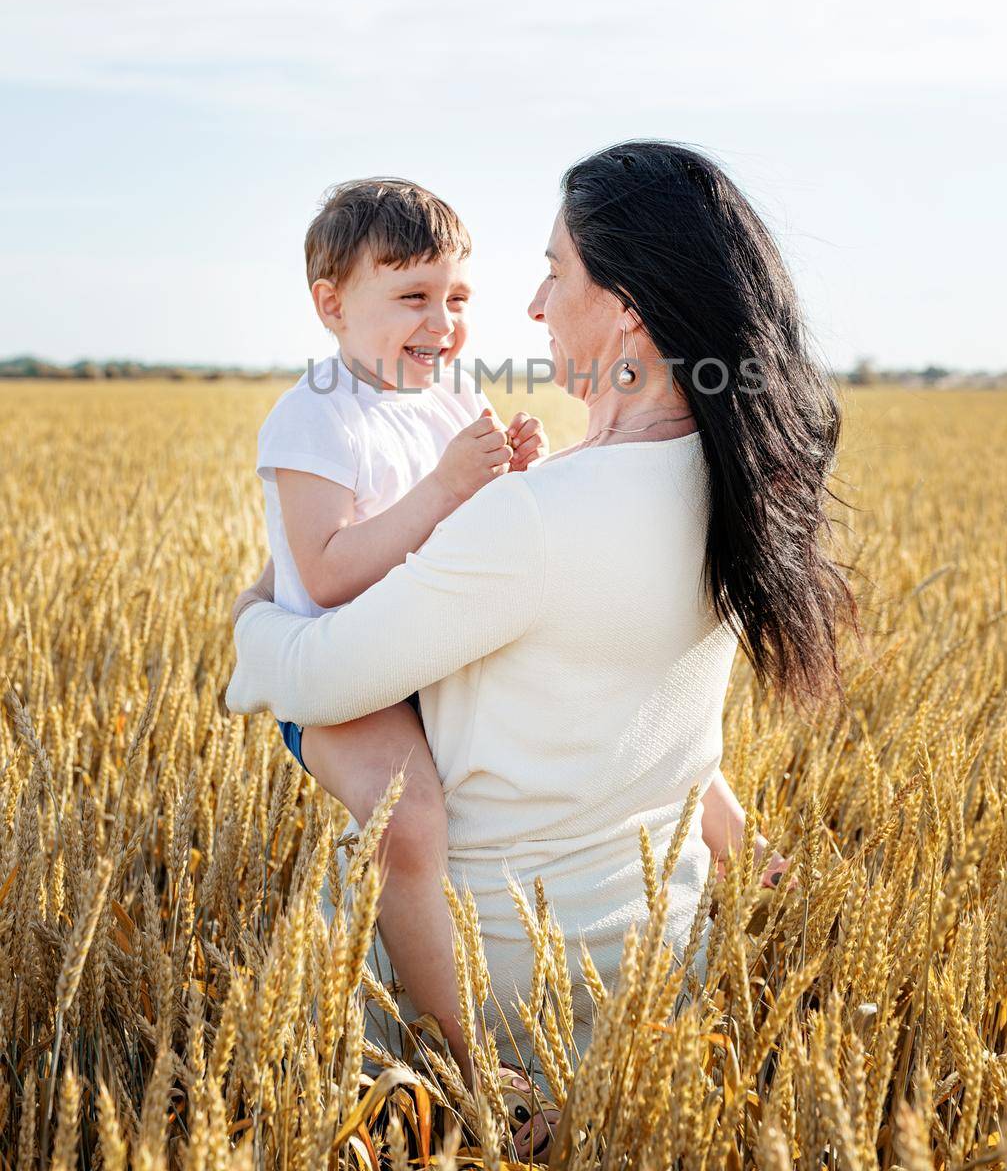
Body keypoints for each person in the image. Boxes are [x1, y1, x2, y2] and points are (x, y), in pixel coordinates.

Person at [227, 140, 858, 1159]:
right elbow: (667, 740)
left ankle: (467, 1083)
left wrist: (258, 609)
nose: (527, 305)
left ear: (626, 309)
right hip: (662, 969)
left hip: (500, 993)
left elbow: (309, 677)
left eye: (554, 269)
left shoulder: (537, 519)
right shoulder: (743, 483)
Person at [248, 175, 550, 1127]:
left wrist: (510, 476)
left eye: (457, 298)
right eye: (412, 296)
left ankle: (725, 848)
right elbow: (331, 574)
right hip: (344, 680)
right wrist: (445, 490)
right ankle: (465, 1057)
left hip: (429, 653)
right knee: (410, 818)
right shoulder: (312, 418)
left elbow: (474, 526)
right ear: (332, 304)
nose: (443, 322)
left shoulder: (451, 396)